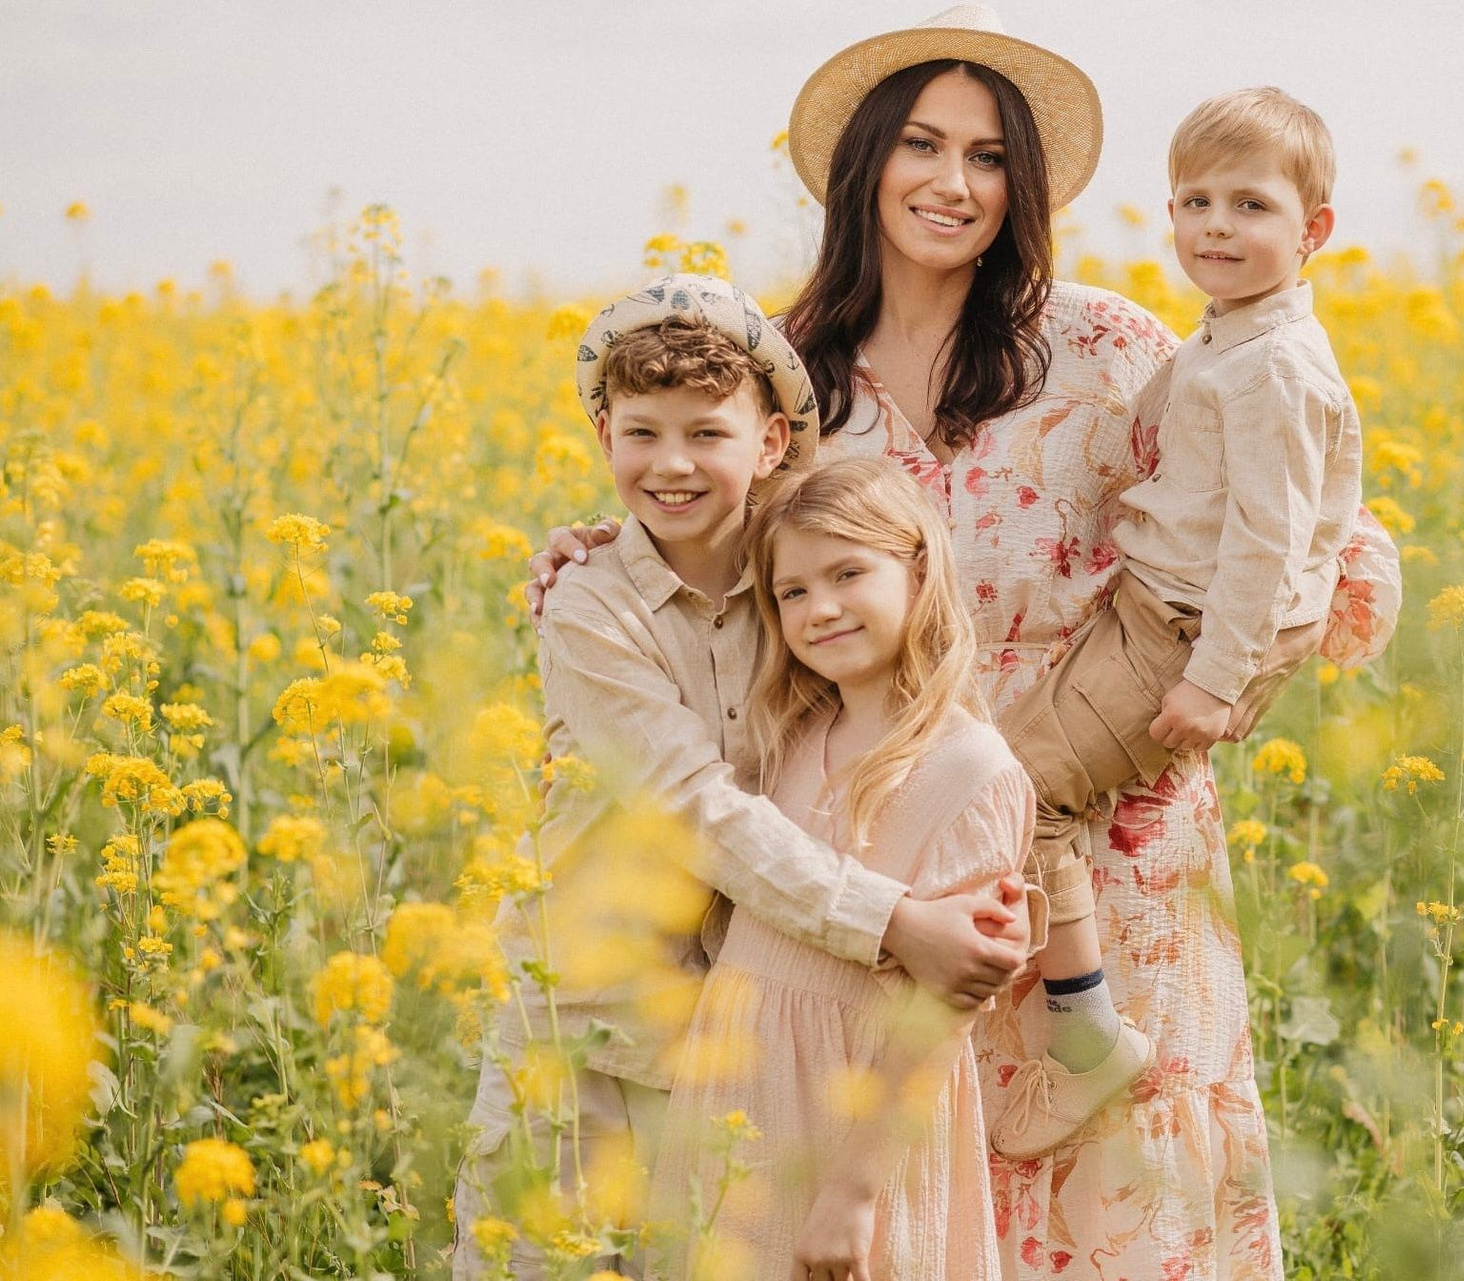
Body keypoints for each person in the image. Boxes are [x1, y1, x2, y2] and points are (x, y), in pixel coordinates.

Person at [530, 8, 1400, 1275]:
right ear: (866, 162)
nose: (954, 183)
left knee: (1127, 1213)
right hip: (889, 880)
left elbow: (1320, 532)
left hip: (1111, 855)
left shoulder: (1106, 348)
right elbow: (698, 526)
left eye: (989, 157)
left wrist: (1222, 677)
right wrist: (596, 553)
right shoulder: (793, 381)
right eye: (923, 146)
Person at [455, 276, 1029, 1280]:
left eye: (706, 434)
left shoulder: (797, 593)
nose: (671, 464)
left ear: (769, 444)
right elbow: (696, 809)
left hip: (734, 1053)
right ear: (604, 437)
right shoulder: (591, 605)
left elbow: (897, 711)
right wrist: (898, 923)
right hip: (581, 1026)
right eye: (642, 434)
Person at [988, 84, 1368, 1159]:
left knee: (1017, 797)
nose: (1215, 227)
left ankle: (1088, 1037)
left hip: (1187, 632)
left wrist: (1215, 677)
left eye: (1250, 206)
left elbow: (1270, 542)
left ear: (1314, 230)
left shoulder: (1274, 368)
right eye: (1195, 203)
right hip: (1160, 612)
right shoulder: (1229, 338)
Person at [648, 458, 1027, 1281]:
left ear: (918, 570)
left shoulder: (970, 766)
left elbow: (943, 1006)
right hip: (743, 1087)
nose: (819, 608)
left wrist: (853, 1191)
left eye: (848, 573)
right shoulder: (788, 734)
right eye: (792, 591)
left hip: (858, 1123)